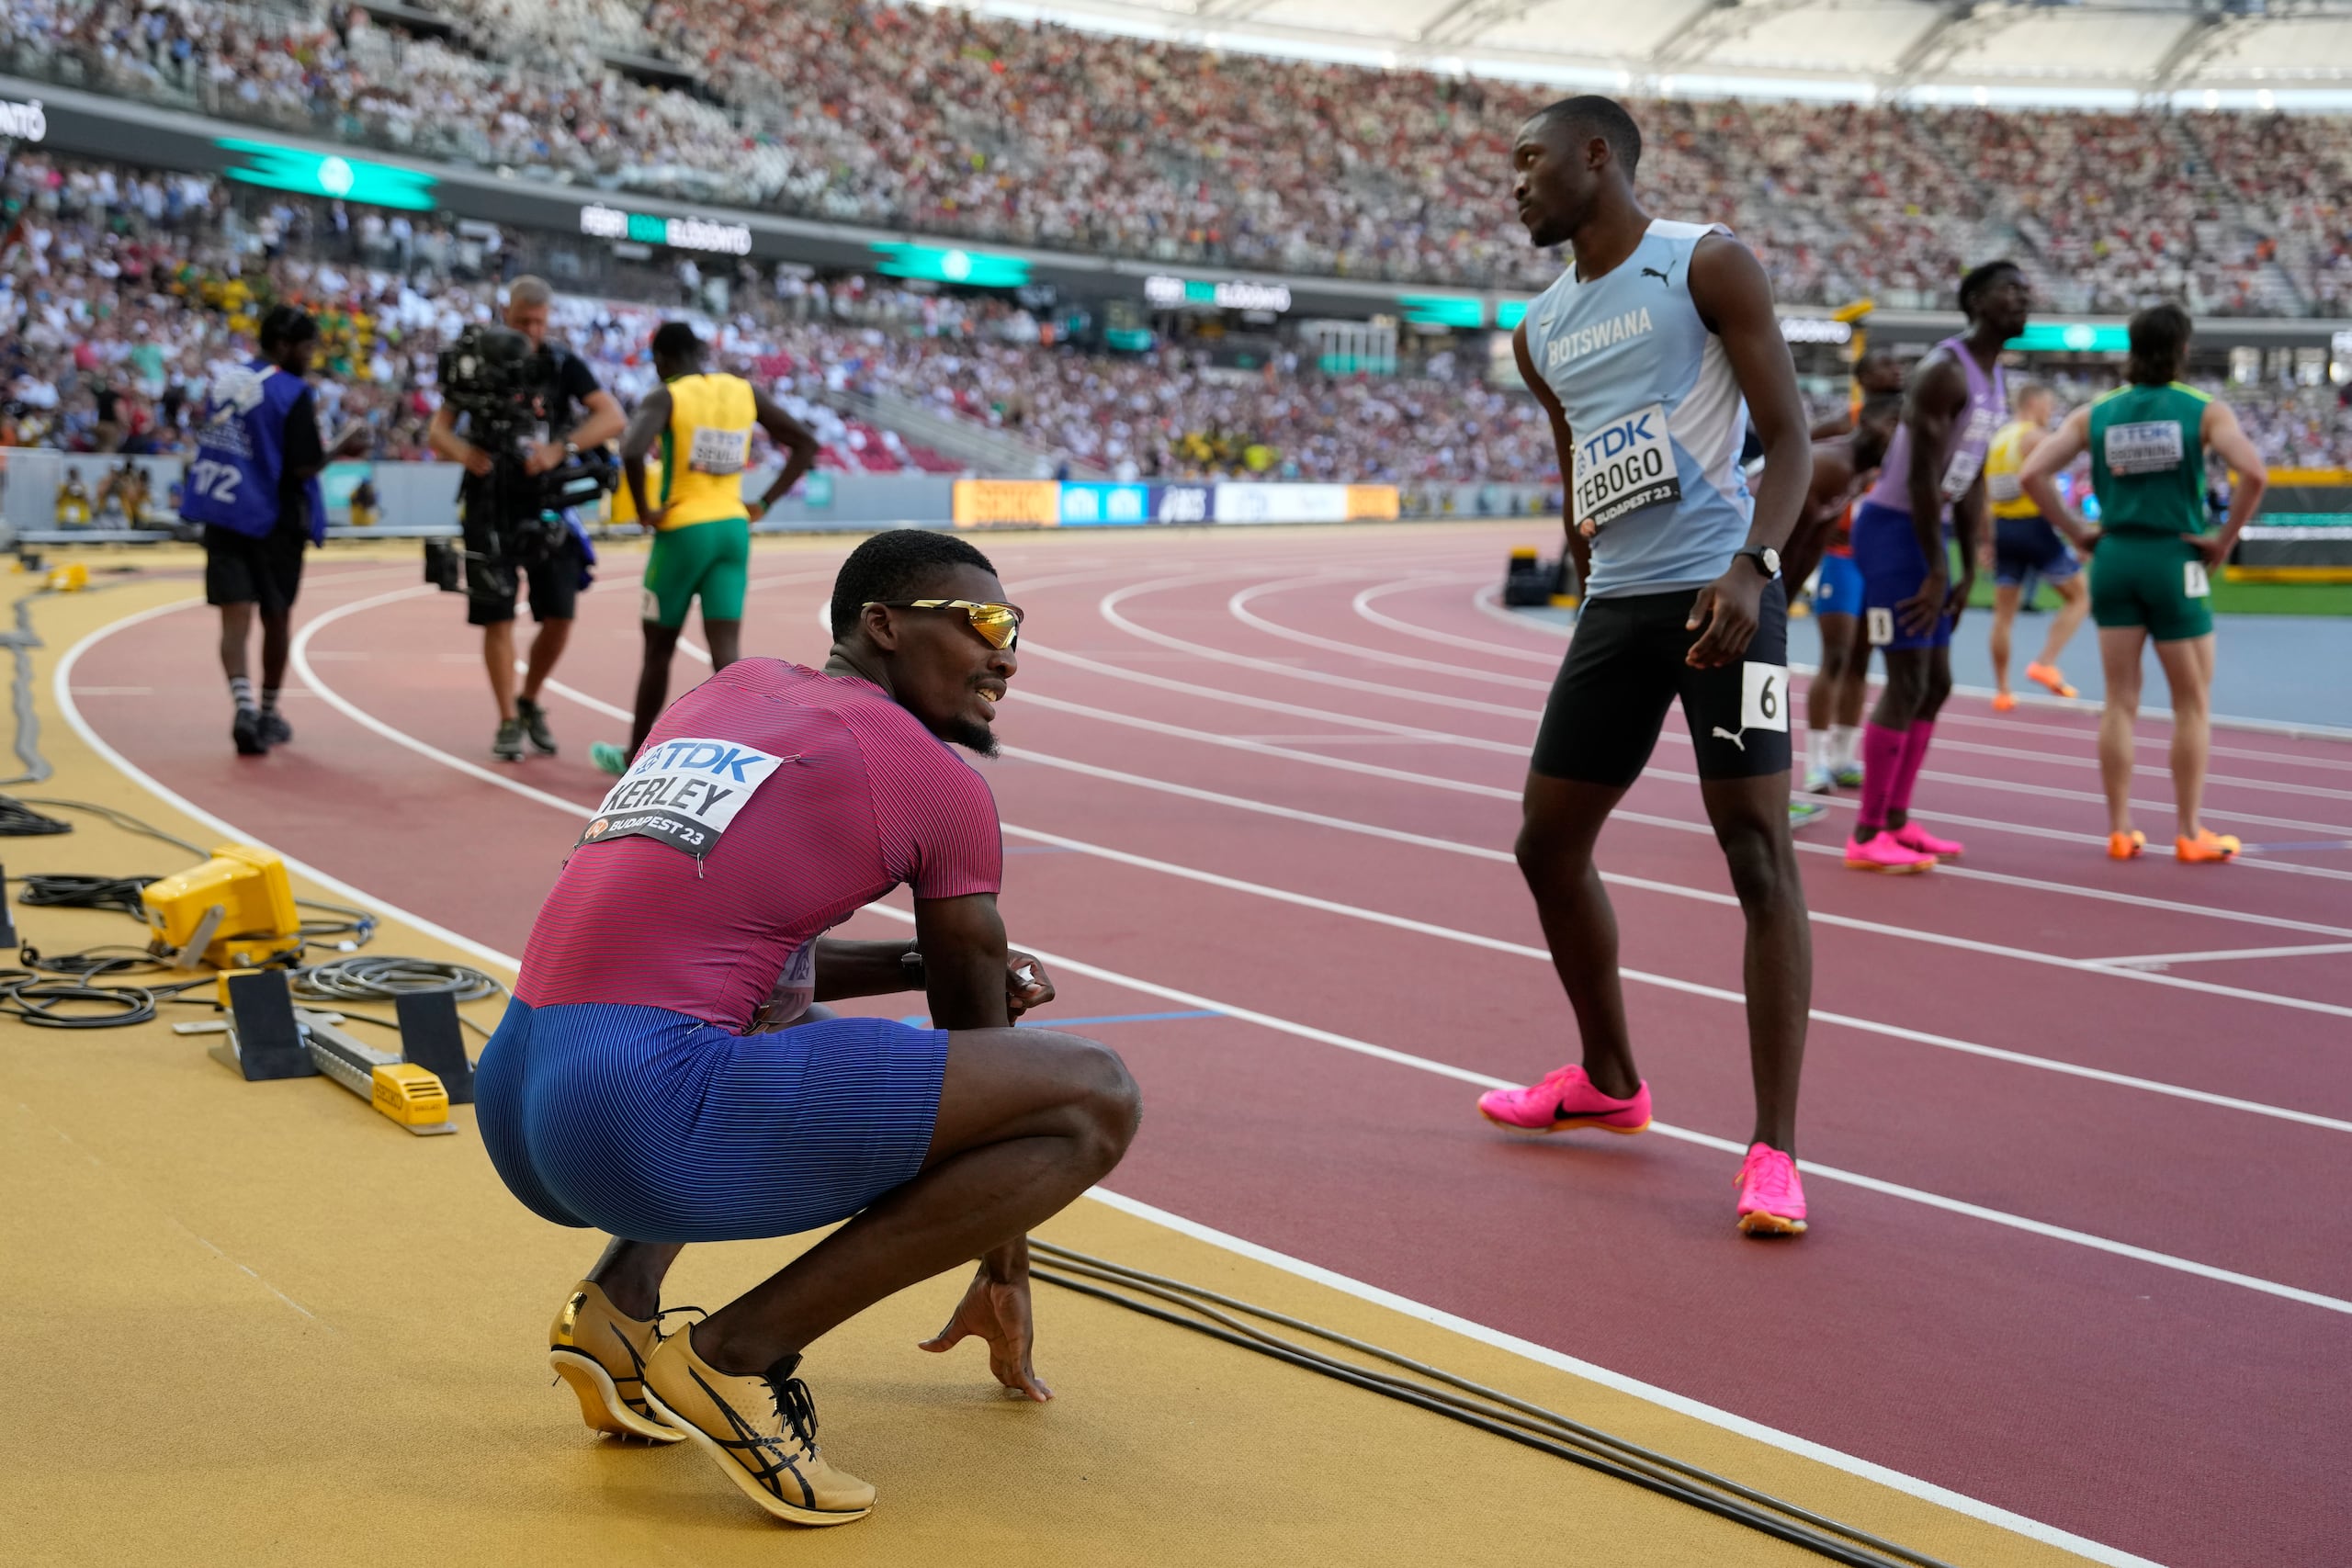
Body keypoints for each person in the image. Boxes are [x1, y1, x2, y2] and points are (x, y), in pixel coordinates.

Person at [476, 529, 1140, 1525]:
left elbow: (731, 951)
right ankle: (735, 1360)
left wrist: (911, 961)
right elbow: (984, 1043)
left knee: (769, 1012)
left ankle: (616, 1312)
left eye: (1017, 630)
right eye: (985, 624)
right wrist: (1004, 1266)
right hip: (632, 1129)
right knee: (1092, 1094)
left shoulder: (720, 699)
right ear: (882, 625)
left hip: (521, 1091)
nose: (1008, 653)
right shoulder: (938, 782)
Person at [1476, 96, 1818, 1237]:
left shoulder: (1704, 265)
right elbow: (1579, 463)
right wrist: (1585, 535)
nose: (1512, 185)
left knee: (1757, 855)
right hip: (1621, 608)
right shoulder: (1540, 329)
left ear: (1595, 156)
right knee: (1545, 844)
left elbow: (1790, 436)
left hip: (1727, 601)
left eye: (1528, 162)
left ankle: (1772, 1149)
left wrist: (1752, 568)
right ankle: (1609, 1080)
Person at [2017, 304, 2267, 863]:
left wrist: (2076, 531)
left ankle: (2120, 828)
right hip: (2175, 558)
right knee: (2191, 704)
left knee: (2119, 702)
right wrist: (2223, 540)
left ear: (2130, 347)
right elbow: (2255, 473)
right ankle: (2188, 829)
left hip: (2115, 558)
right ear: (2182, 350)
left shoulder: (2094, 414)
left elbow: (2031, 474)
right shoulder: (2202, 411)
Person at [1844, 261, 2031, 873]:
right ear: (1975, 301)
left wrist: (1969, 559)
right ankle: (1867, 830)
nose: (2022, 300)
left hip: (1929, 533)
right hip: (1894, 530)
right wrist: (1932, 568)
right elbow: (1923, 478)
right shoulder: (1943, 371)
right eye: (2010, 292)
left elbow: (1970, 472)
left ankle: (1896, 819)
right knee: (1906, 681)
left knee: (1938, 682)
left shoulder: (1992, 375)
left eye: (2026, 292)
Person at [588, 321, 820, 776]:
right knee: (726, 653)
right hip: (733, 527)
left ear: (660, 360)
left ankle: (634, 757)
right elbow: (806, 443)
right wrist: (765, 502)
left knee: (659, 650)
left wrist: (645, 510)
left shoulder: (668, 394)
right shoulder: (744, 393)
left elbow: (633, 450)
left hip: (683, 530)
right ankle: (744, 756)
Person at [426, 276, 625, 761]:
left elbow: (612, 416)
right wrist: (465, 453)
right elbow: (439, 430)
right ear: (506, 314)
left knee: (560, 614)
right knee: (496, 615)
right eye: (522, 322)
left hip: (546, 501)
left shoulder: (561, 364)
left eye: (539, 322)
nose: (532, 331)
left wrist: (561, 448)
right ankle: (507, 721)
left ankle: (529, 698)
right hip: (488, 502)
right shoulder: (479, 359)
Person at [179, 304, 368, 755]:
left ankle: (242, 704)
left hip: (225, 512)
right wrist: (342, 446)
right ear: (284, 345)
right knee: (277, 616)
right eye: (307, 347)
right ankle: (267, 711)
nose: (311, 356)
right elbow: (303, 466)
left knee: (235, 617)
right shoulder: (290, 390)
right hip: (274, 518)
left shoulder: (225, 381)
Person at [1781, 391, 1901, 825]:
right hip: (1842, 560)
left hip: (1877, 563)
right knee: (1834, 656)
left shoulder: (1894, 460)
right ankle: (1815, 761)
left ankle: (1844, 757)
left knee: (1861, 660)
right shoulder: (1841, 441)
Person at [1982, 381, 2088, 710]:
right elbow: (2049, 490)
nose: (2051, 411)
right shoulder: (2034, 437)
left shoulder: (1998, 440)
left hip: (2003, 529)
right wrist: (2074, 532)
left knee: (2004, 616)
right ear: (2034, 403)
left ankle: (2002, 691)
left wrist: (1986, 541)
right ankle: (2046, 661)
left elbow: (1986, 497)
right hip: (2034, 526)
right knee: (2080, 597)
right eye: (2049, 404)